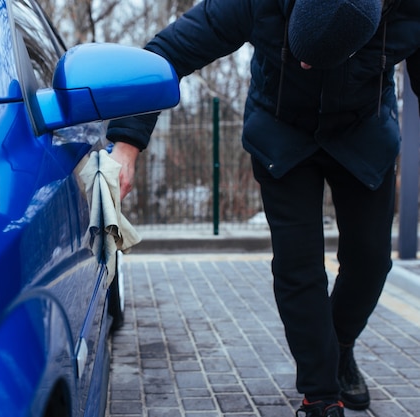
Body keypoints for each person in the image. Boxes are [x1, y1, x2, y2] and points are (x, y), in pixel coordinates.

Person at [106, 0, 420, 416]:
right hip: (282, 134)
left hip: (363, 133)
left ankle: (339, 345)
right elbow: (166, 54)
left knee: (371, 261)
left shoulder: (409, 10)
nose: (309, 65)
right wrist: (127, 145)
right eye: (302, 55)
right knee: (298, 266)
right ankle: (321, 394)